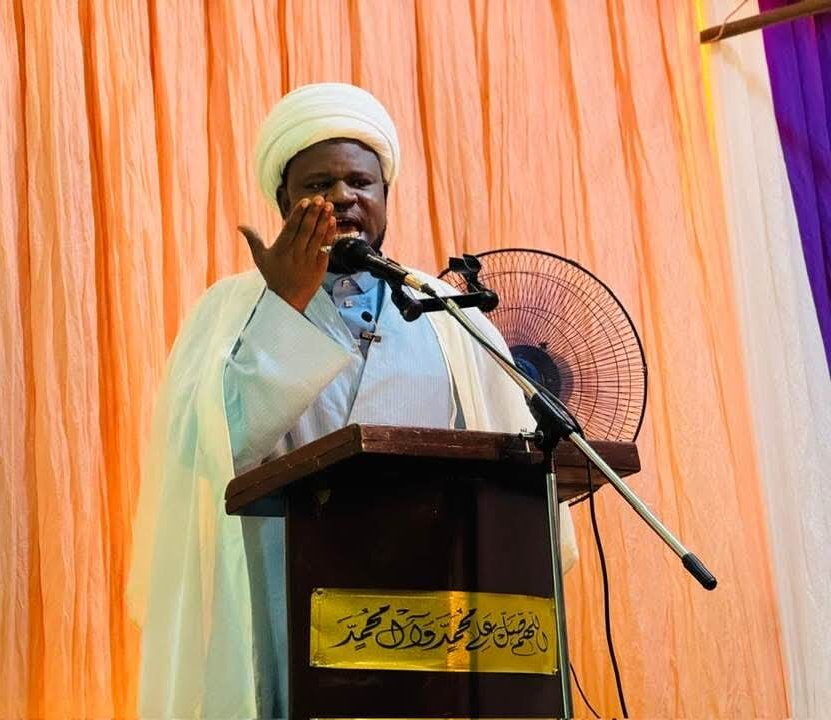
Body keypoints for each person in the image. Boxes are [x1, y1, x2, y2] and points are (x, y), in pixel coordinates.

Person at [128, 82, 577, 719]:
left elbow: (519, 471)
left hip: (436, 621)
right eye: (319, 184)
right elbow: (215, 449)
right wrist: (285, 306)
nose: (343, 197)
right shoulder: (231, 311)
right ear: (283, 201)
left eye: (360, 182)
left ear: (386, 195)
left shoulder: (450, 316)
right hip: (294, 610)